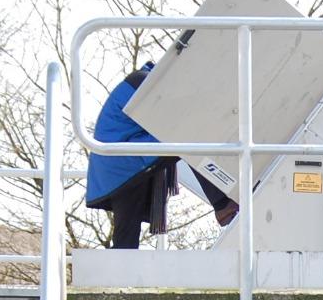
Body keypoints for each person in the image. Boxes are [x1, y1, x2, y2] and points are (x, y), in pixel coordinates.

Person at [85, 62, 238, 248]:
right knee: (188, 139)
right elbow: (178, 116)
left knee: (125, 236)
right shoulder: (143, 81)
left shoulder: (141, 81)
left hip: (116, 162)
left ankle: (223, 204)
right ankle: (222, 204)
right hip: (123, 157)